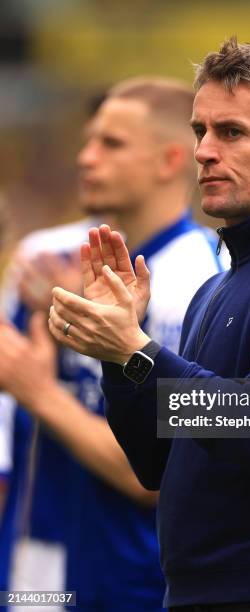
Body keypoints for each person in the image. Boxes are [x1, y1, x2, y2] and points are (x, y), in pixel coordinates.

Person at [48, 39, 250, 611]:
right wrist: (119, 356)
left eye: (231, 132)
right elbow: (155, 465)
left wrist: (141, 352)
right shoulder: (220, 282)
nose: (203, 151)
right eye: (200, 130)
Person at [0, 77, 228, 611]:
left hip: (132, 578)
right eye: (87, 141)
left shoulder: (203, 284)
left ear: (170, 160)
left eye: (111, 144)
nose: (85, 158)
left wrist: (42, 393)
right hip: (35, 562)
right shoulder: (45, 256)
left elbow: (162, 473)